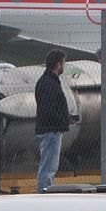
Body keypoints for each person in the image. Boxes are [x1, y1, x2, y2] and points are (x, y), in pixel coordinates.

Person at [35, 50, 70, 192]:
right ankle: (45, 194)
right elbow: (47, 108)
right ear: (58, 64)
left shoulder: (48, 81)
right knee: (48, 167)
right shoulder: (49, 83)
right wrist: (62, 121)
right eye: (63, 63)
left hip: (50, 129)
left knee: (49, 166)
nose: (64, 66)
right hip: (51, 131)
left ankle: (46, 191)